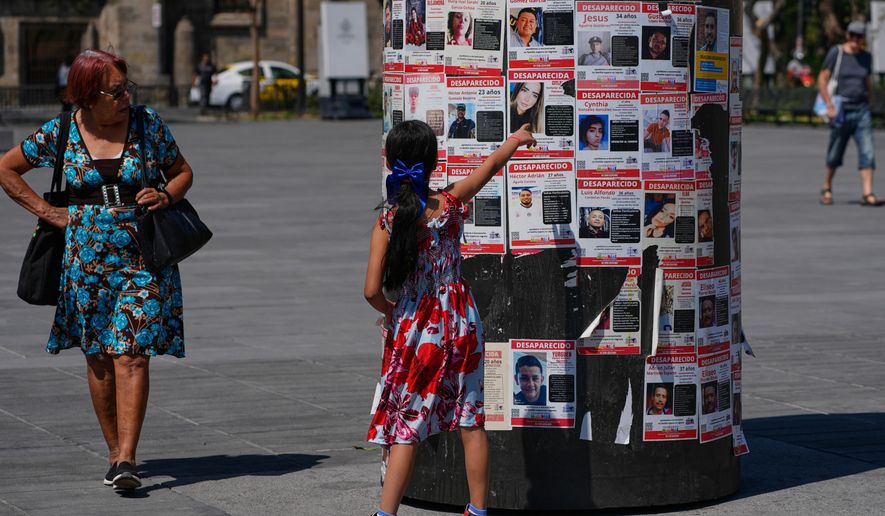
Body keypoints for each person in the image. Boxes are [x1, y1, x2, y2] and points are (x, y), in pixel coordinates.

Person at [0, 49, 194, 491]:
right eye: (116, 90)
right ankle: (113, 452)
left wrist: (167, 195)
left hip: (143, 255)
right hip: (85, 261)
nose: (126, 96)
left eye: (128, 88)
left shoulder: (147, 124)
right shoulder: (63, 130)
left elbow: (182, 172)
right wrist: (48, 211)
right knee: (100, 356)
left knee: (133, 353)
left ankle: (127, 457)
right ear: (88, 94)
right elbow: (6, 169)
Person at [364, 120, 535, 516]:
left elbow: (371, 289)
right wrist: (516, 138)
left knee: (407, 427)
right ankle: (477, 511)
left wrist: (391, 312)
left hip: (417, 328)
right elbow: (489, 168)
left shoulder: (388, 221)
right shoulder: (451, 203)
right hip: (461, 319)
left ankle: (386, 514)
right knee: (471, 420)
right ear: (433, 162)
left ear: (390, 161)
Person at [818, 21, 879, 206]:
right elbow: (822, 78)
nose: (855, 40)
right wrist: (829, 104)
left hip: (862, 110)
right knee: (835, 152)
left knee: (868, 152)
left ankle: (868, 193)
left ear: (863, 39)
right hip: (840, 110)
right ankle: (827, 187)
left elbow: (867, 79)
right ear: (847, 35)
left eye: (859, 37)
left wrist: (871, 99)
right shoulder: (836, 53)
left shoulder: (866, 58)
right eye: (852, 35)